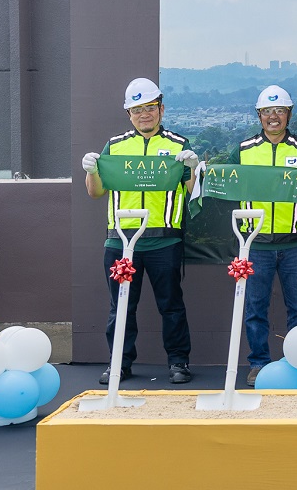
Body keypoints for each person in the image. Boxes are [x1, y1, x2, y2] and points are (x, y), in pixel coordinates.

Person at [82, 77, 198, 385]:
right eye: (136, 110)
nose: (143, 114)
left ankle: (178, 362)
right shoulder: (115, 145)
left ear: (161, 109)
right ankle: (119, 362)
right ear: (129, 114)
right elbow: (95, 192)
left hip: (165, 239)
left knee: (171, 306)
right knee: (120, 307)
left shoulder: (178, 144)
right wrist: (92, 171)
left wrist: (194, 169)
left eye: (149, 108)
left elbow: (189, 190)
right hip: (121, 240)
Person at [229, 85, 297, 387]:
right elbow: (226, 184)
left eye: (279, 111)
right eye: (267, 111)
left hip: (294, 242)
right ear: (259, 115)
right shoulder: (243, 150)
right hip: (254, 244)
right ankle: (258, 363)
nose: (273, 117)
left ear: (289, 114)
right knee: (255, 308)